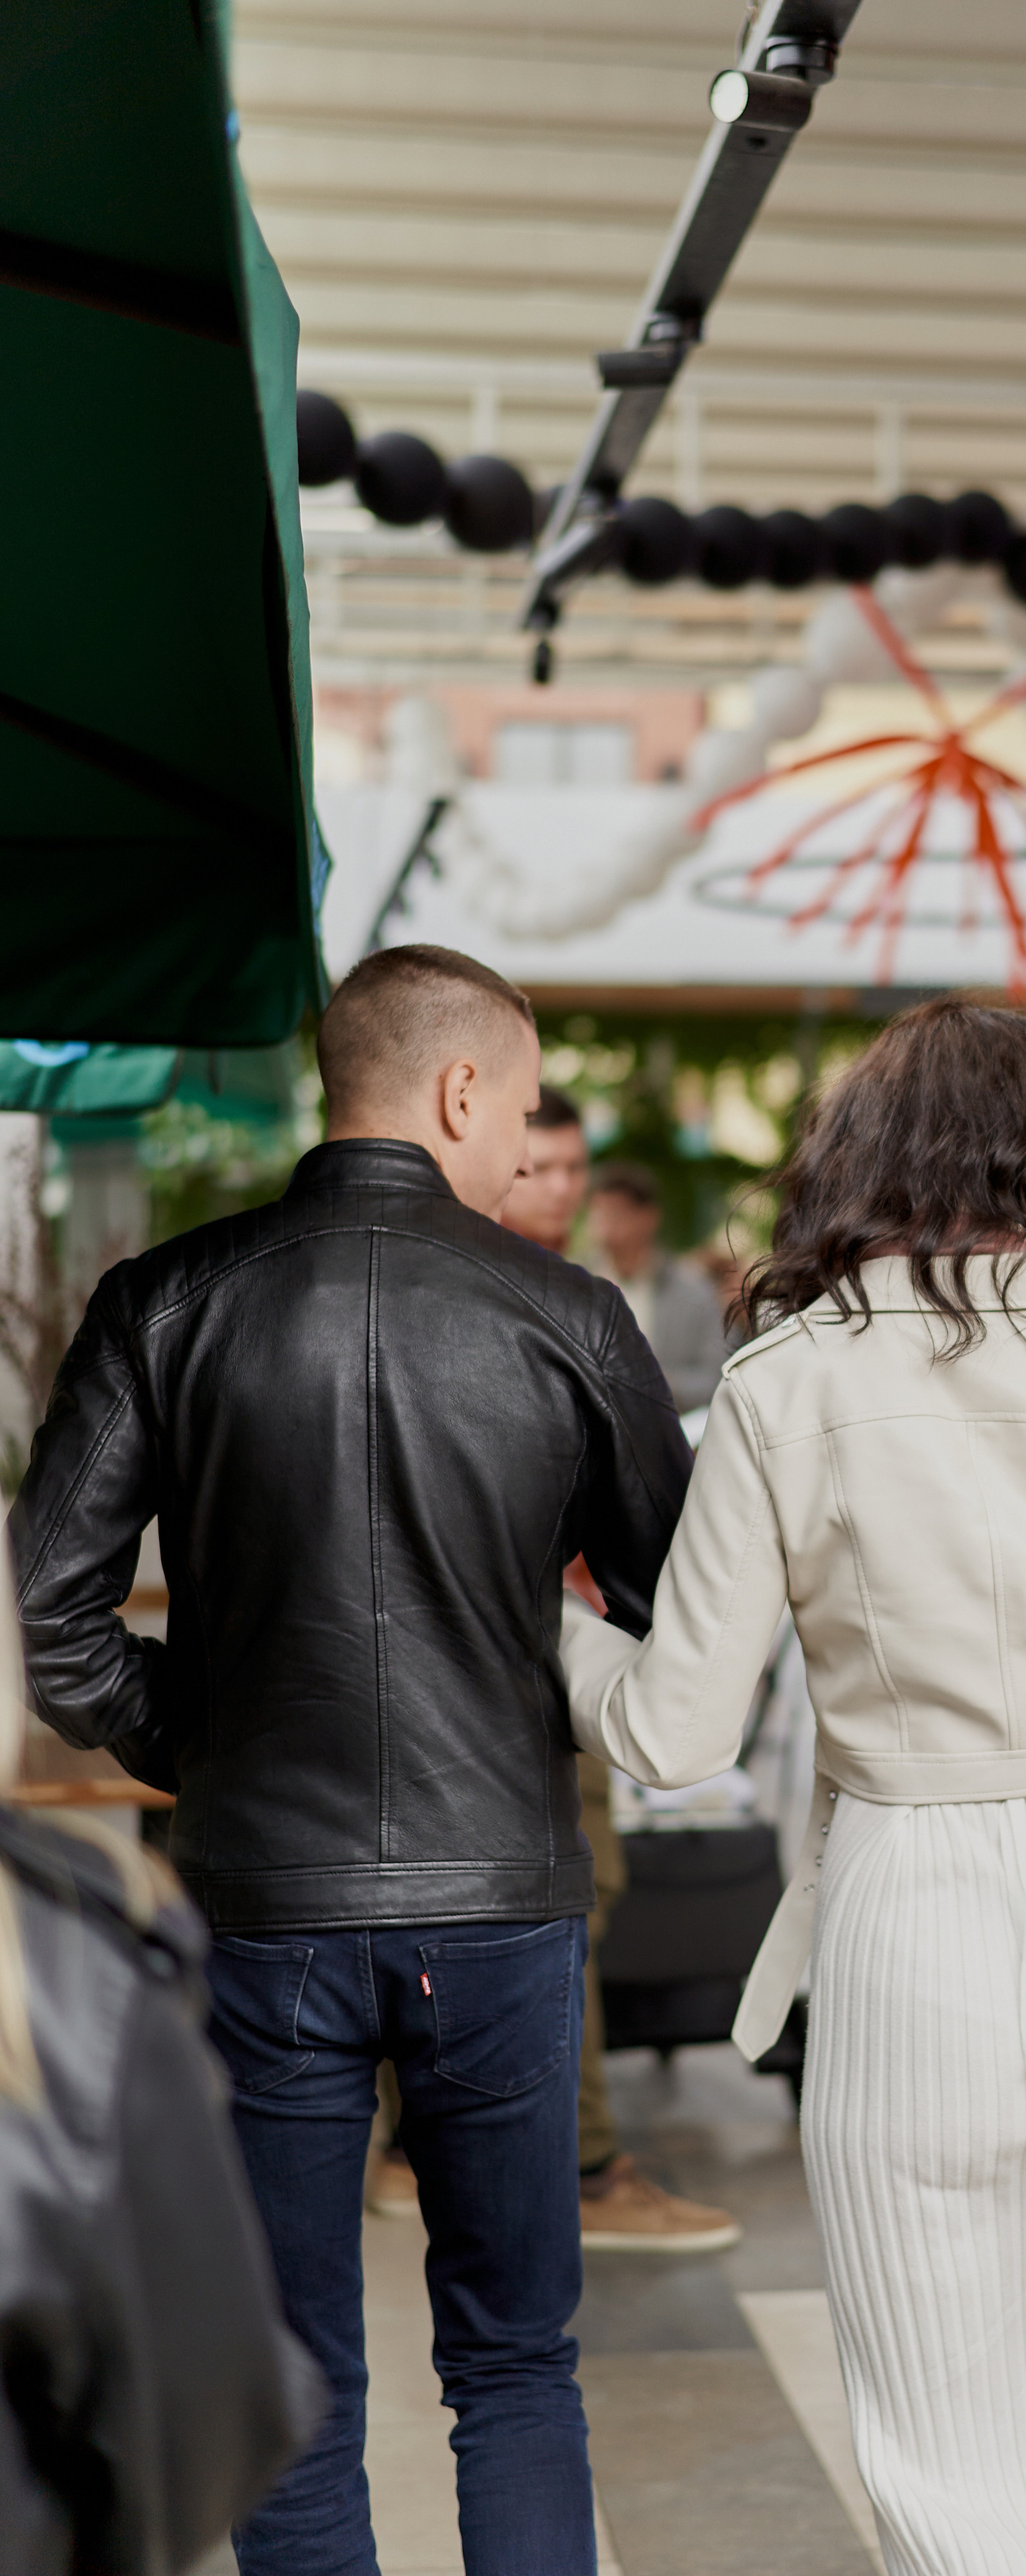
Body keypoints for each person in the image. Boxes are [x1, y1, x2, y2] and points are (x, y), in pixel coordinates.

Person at [564, 997, 1026, 2576]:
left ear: (855, 1157)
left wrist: (540, 1625)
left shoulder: (785, 1386)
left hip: (912, 1922)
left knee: (932, 2438)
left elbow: (673, 1729)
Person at [7, 945, 692, 2576]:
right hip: (506, 1911)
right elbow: (680, 1606)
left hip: (261, 1906)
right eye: (523, 1114)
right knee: (518, 2364)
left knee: (294, 2377)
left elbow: (47, 1618)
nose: (530, 1148)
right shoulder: (571, 1316)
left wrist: (203, 1744)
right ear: (457, 1090)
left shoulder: (163, 1298)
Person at [0, 1532, 323, 2567]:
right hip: (487, 1882)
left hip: (271, 1870)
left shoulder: (70, 1985)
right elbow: (199, 2445)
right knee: (514, 2359)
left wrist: (196, 1746)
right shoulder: (72, 1988)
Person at [501, 1088, 739, 2255]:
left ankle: (435, 2150)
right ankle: (586, 2165)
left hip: (548, 1641)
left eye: (570, 1168)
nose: (556, 1188)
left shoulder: (563, 1298)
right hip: (537, 1646)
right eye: (534, 1164)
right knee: (570, 1893)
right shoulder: (551, 1304)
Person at [585, 1163, 729, 1411]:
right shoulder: (577, 1283)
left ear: (649, 1217)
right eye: (599, 1213)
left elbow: (717, 1377)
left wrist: (650, 1382)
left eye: (616, 1213)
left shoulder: (692, 1291)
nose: (605, 1225)